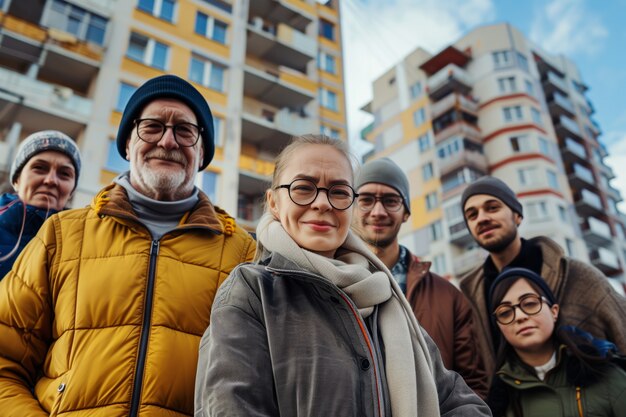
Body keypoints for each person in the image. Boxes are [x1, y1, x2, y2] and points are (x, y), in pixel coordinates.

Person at [0, 74, 256, 416]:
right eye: (152, 126)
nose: (167, 141)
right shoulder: (60, 236)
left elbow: (259, 380)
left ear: (202, 151)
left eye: (184, 130)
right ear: (127, 143)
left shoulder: (243, 254)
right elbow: (5, 360)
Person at [195, 135, 490, 417]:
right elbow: (231, 406)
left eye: (338, 191)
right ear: (274, 202)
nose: (322, 203)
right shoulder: (251, 290)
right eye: (303, 187)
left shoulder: (383, 295)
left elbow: (458, 400)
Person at [460, 175, 626, 381]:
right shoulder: (470, 295)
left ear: (517, 216)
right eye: (472, 215)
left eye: (492, 207)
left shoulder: (579, 276)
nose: (482, 218)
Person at [353, 157, 489, 398]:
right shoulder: (329, 283)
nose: (378, 211)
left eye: (391, 201)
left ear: (406, 212)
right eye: (365, 200)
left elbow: (473, 385)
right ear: (351, 207)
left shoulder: (449, 297)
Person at [487, 267, 626, 417]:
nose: (519, 316)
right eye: (505, 313)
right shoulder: (499, 401)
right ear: (499, 326)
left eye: (529, 303)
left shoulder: (604, 372)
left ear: (554, 311)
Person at [0, 130, 81, 279]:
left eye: (64, 173)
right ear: (17, 179)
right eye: (39, 168)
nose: (51, 180)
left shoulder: (83, 245)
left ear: (71, 192)